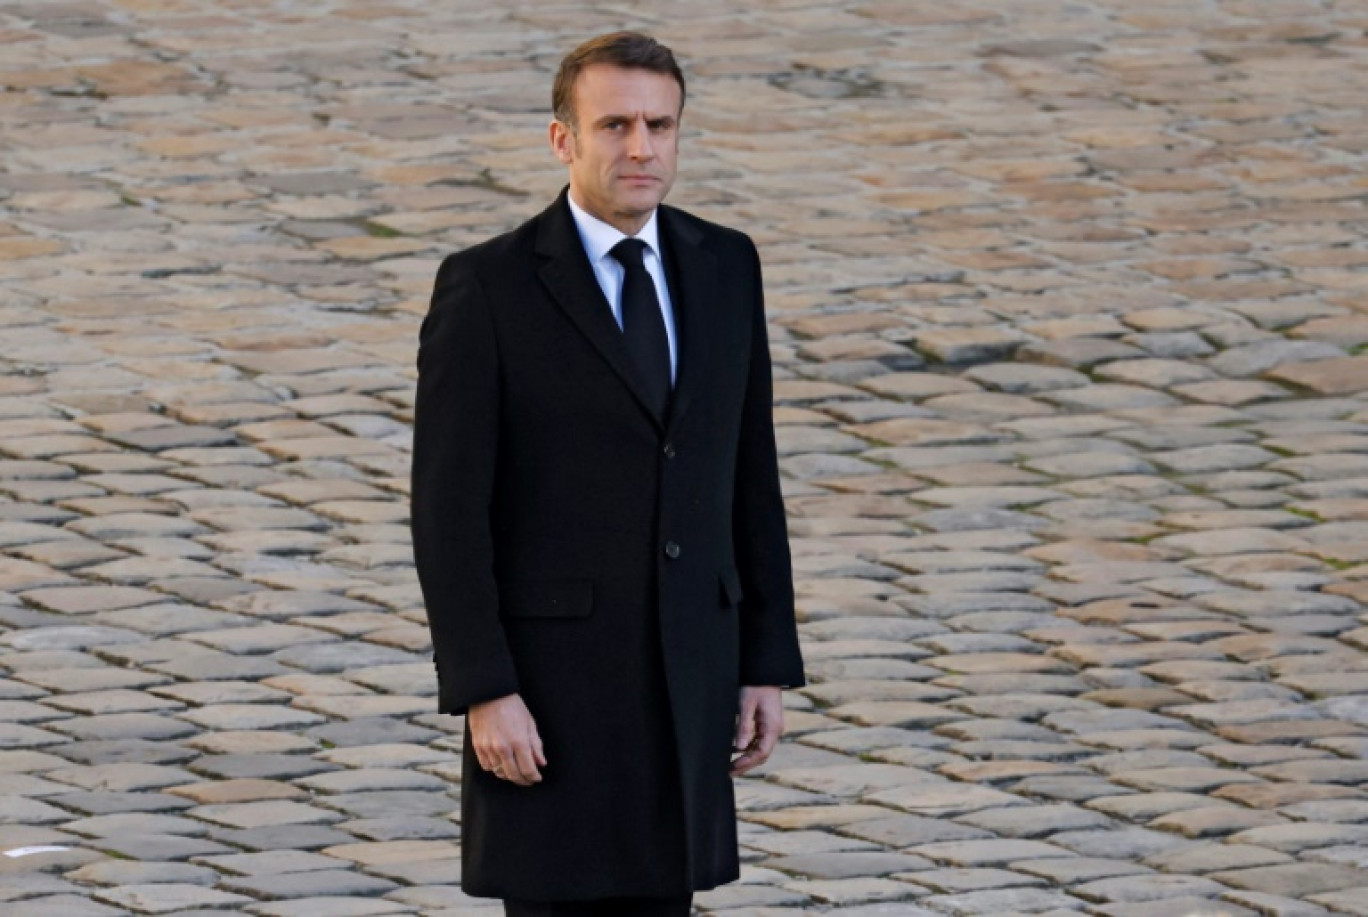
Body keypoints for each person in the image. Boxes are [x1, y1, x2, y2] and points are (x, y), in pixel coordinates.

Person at [410, 31, 805, 917]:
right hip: (553, 691)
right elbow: (447, 511)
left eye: (660, 126)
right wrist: (484, 689)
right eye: (616, 124)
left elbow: (749, 472)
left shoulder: (724, 265)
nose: (641, 148)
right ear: (564, 139)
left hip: (688, 677)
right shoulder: (488, 287)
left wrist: (763, 662)